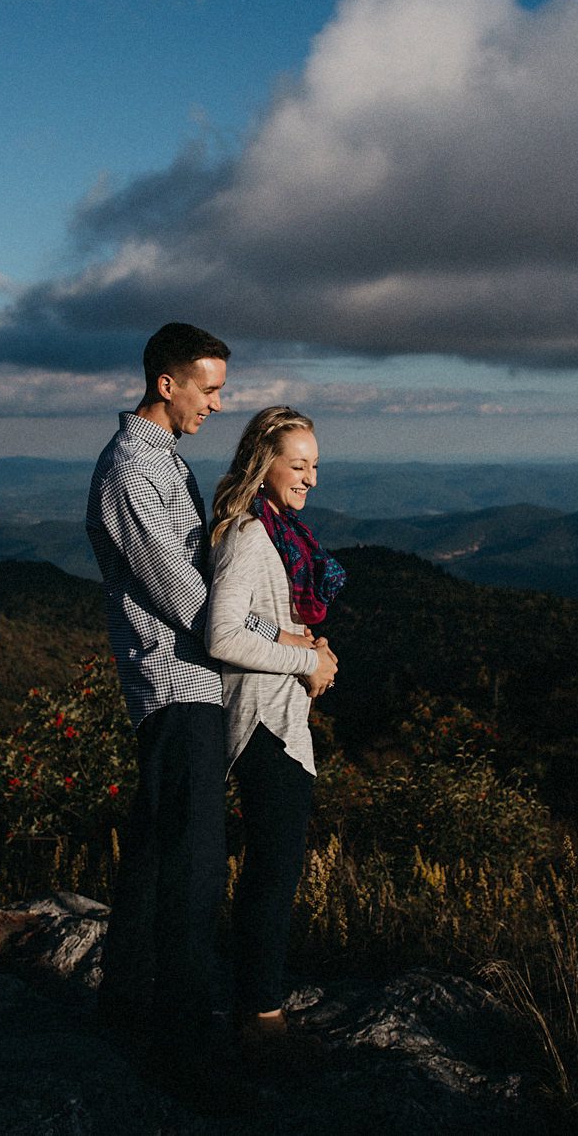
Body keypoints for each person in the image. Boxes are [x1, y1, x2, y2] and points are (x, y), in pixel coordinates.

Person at [86, 324, 336, 1040]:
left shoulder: (166, 464)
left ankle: (127, 1008)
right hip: (174, 680)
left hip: (195, 682)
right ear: (168, 384)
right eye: (211, 388)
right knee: (194, 868)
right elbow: (192, 602)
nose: (219, 405)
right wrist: (287, 642)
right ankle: (182, 1031)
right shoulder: (132, 471)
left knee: (159, 849)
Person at [205, 406, 346, 1055]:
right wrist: (305, 658)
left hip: (278, 718)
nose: (310, 477)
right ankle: (259, 1018)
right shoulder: (247, 535)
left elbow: (260, 619)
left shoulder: (275, 532)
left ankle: (255, 1005)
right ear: (265, 463)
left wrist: (304, 644)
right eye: (298, 462)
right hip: (263, 724)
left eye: (315, 464)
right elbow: (223, 633)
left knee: (273, 867)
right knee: (273, 870)